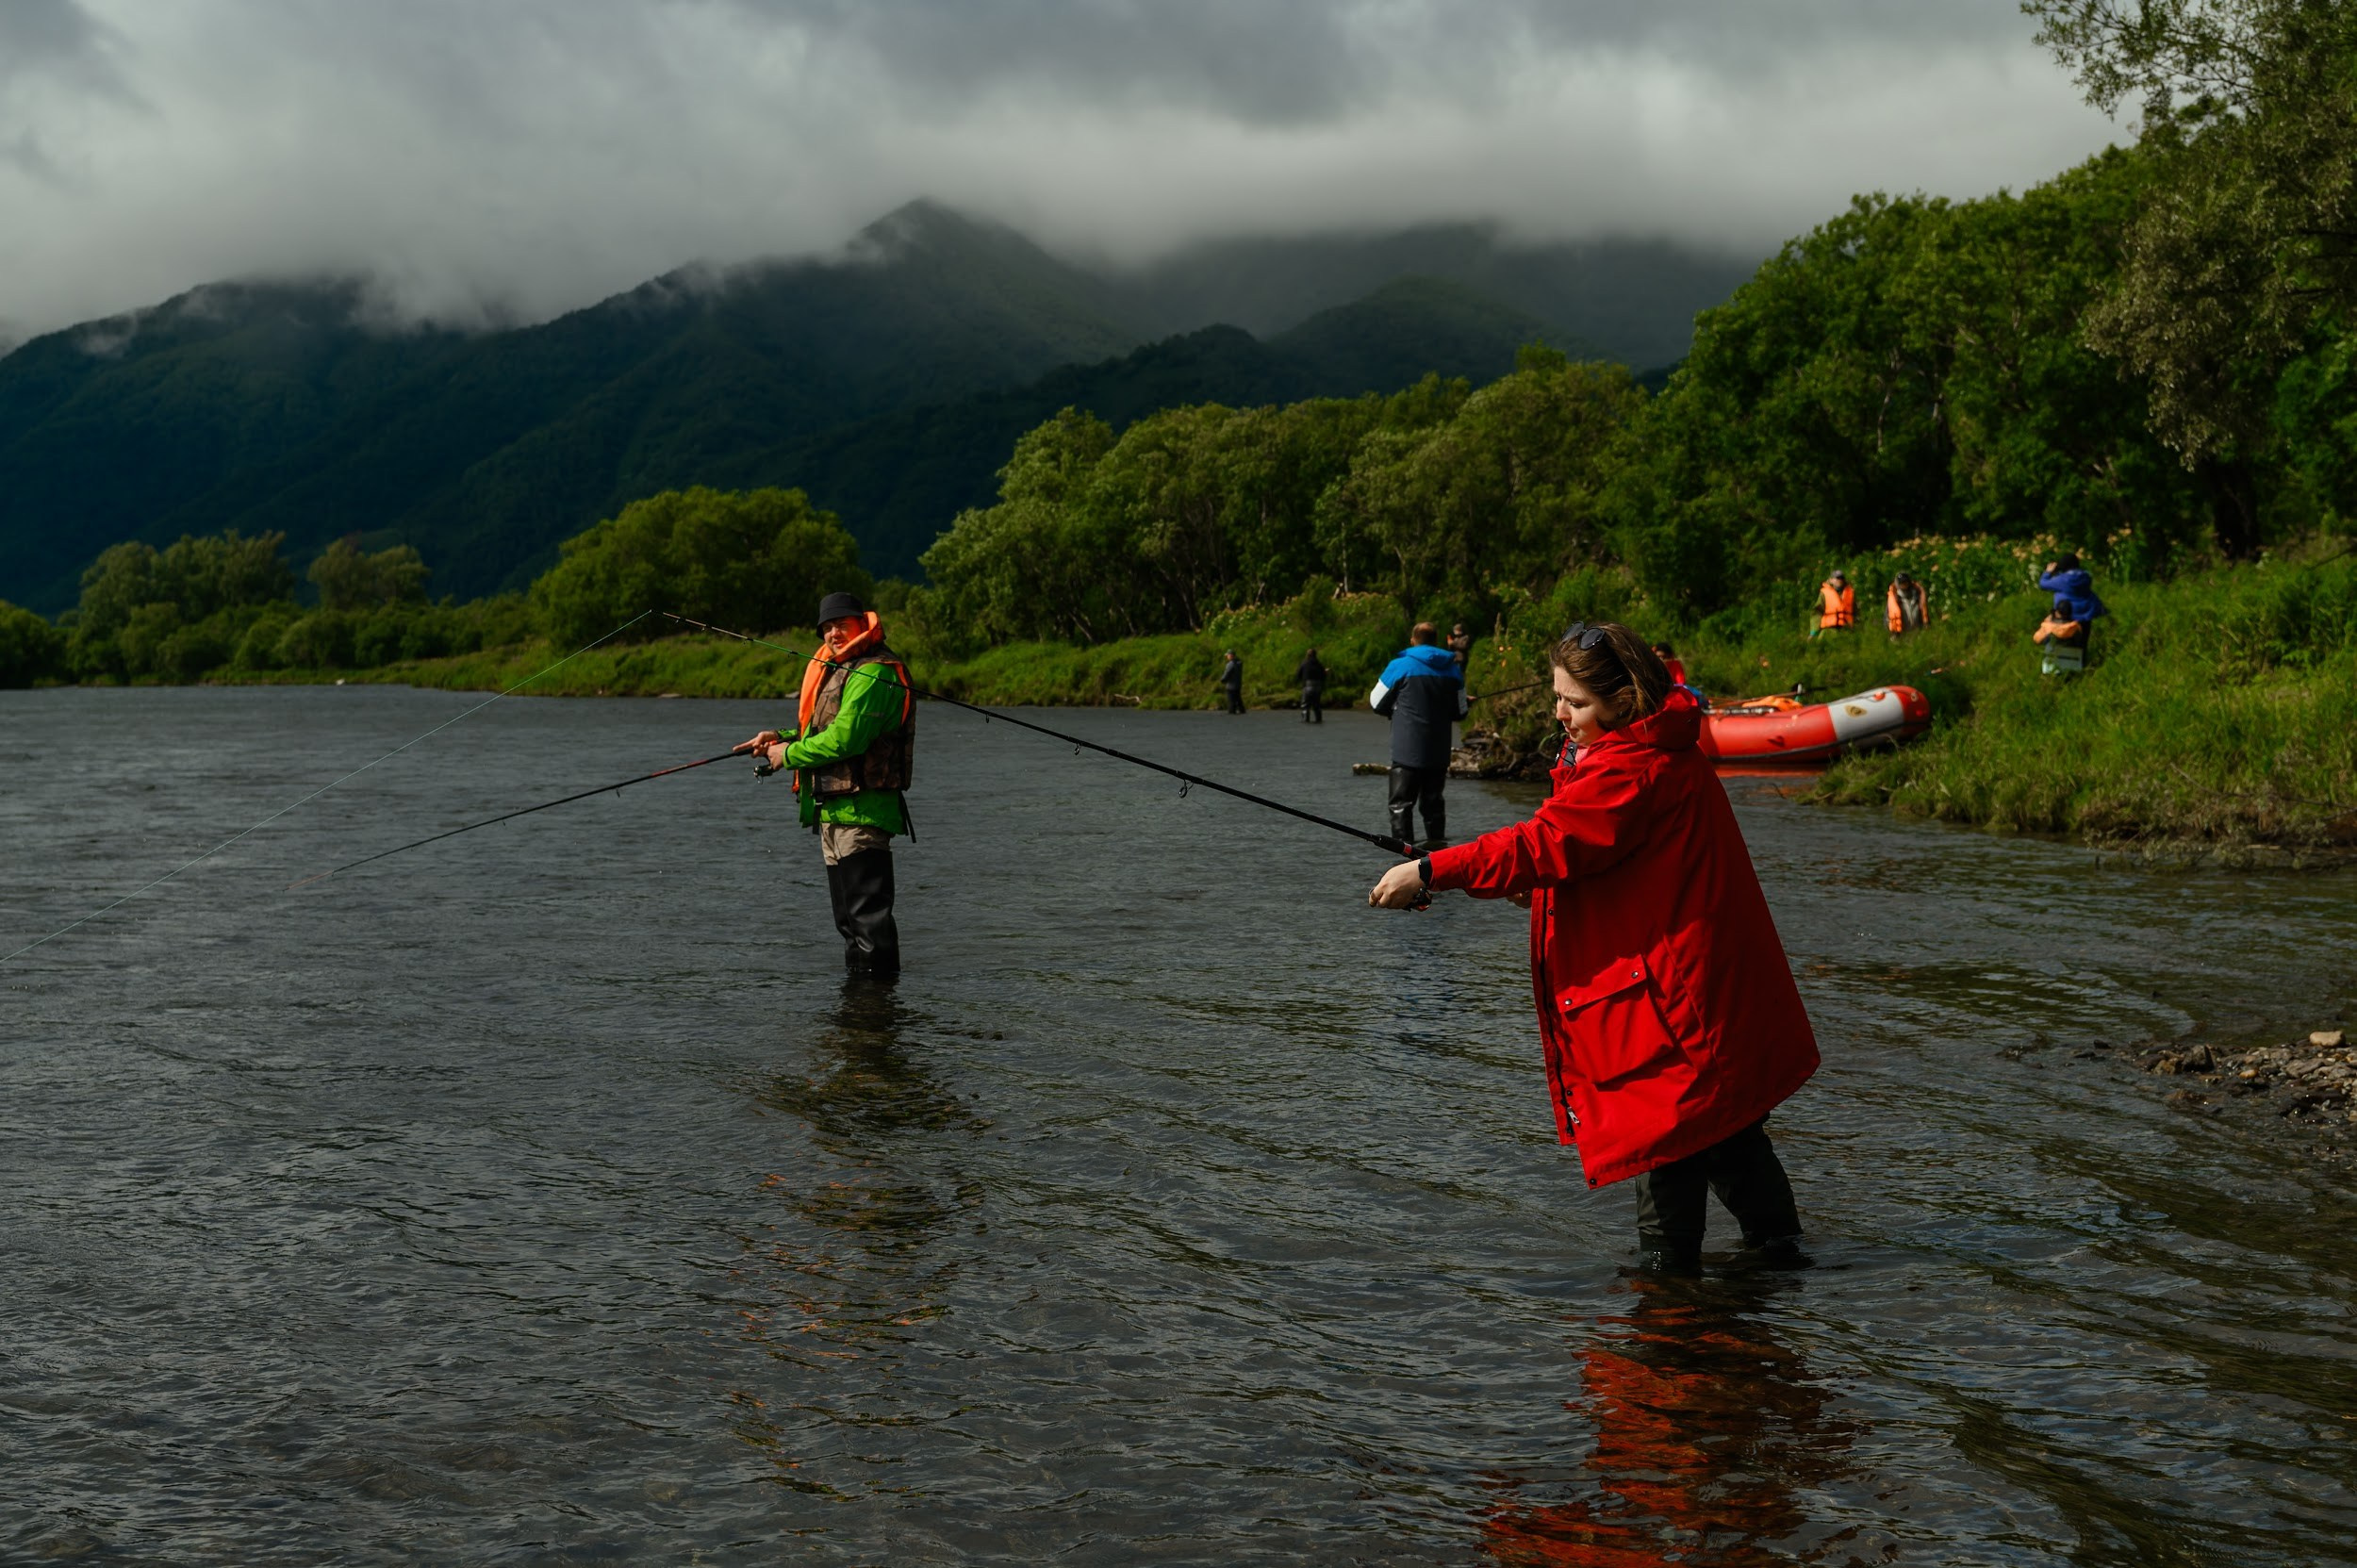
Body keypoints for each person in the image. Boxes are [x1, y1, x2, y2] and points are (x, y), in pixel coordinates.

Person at [1368, 621, 1819, 1275]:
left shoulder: (1630, 767)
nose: (1560, 713)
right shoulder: (1658, 750)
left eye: (1574, 702)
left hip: (1677, 1017)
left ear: (1623, 698)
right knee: (1728, 1135)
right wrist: (1544, 895)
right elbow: (1610, 860)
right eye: (1558, 697)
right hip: (1700, 999)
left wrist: (1433, 869)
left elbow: (1543, 843)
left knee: (1671, 1158)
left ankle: (1669, 1336)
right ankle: (1775, 1289)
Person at [739, 591, 915, 981]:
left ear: (861, 624)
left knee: (868, 924)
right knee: (849, 925)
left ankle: (876, 1014)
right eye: (828, 627)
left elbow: (847, 739)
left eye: (842, 625)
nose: (834, 633)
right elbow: (822, 730)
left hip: (864, 810)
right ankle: (859, 1016)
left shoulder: (875, 672)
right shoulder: (841, 668)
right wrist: (777, 738)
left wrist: (789, 754)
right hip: (834, 810)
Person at [1369, 622, 1467, 850]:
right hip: (1438, 753)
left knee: (1401, 805)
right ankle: (1437, 859)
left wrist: (1394, 708)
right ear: (1437, 641)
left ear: (1413, 641)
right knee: (1433, 806)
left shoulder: (1400, 665)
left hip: (1406, 752)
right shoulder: (1453, 669)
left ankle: (1404, 861)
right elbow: (1460, 711)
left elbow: (1375, 702)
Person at [2032, 603, 2089, 675]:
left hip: (2051, 666)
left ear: (2057, 613)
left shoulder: (2048, 627)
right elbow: (2080, 643)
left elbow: (2036, 640)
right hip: (2073, 665)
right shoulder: (2075, 627)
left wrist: (2048, 621)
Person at [1814, 569, 1855, 635]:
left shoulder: (1850, 593)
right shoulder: (1824, 593)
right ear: (1831, 580)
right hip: (1828, 630)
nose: (1839, 580)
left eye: (1841, 578)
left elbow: (1856, 612)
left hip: (1846, 629)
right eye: (1837, 578)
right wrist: (1814, 631)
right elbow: (1817, 612)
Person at [1887, 571, 1927, 635]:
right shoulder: (1895, 599)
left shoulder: (1917, 596)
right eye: (1901, 583)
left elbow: (1924, 612)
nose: (1904, 584)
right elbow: (1888, 618)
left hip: (1918, 633)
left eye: (1905, 582)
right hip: (1902, 635)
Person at [1295, 646, 1327, 724]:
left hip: (1307, 686)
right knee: (1317, 706)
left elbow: (1298, 675)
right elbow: (1324, 675)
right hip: (1318, 687)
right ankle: (1319, 720)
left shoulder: (1304, 663)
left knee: (1305, 705)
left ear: (1307, 655)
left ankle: (1306, 721)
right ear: (1315, 655)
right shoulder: (1319, 664)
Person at [1219, 651, 1245, 715]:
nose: (1227, 657)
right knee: (1238, 698)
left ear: (1231, 655)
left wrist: (1222, 680)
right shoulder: (1239, 663)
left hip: (1231, 685)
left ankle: (1232, 711)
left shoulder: (1230, 664)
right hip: (1238, 684)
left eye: (1228, 655)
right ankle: (1242, 710)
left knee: (1231, 700)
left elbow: (1227, 673)